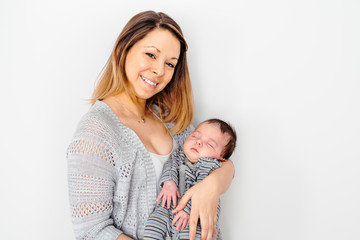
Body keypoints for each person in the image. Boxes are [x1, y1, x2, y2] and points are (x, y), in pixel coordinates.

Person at [67, 10, 235, 240]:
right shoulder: (96, 133)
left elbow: (218, 161)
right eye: (150, 55)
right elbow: (92, 231)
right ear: (123, 49)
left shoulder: (172, 118)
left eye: (170, 63)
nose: (159, 71)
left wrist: (213, 185)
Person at [144, 119, 237, 240]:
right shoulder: (179, 155)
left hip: (195, 215)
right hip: (168, 207)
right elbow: (170, 165)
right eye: (195, 136)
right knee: (153, 226)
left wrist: (188, 210)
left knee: (194, 235)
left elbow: (201, 191)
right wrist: (169, 182)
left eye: (210, 144)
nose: (198, 142)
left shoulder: (210, 166)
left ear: (221, 158)